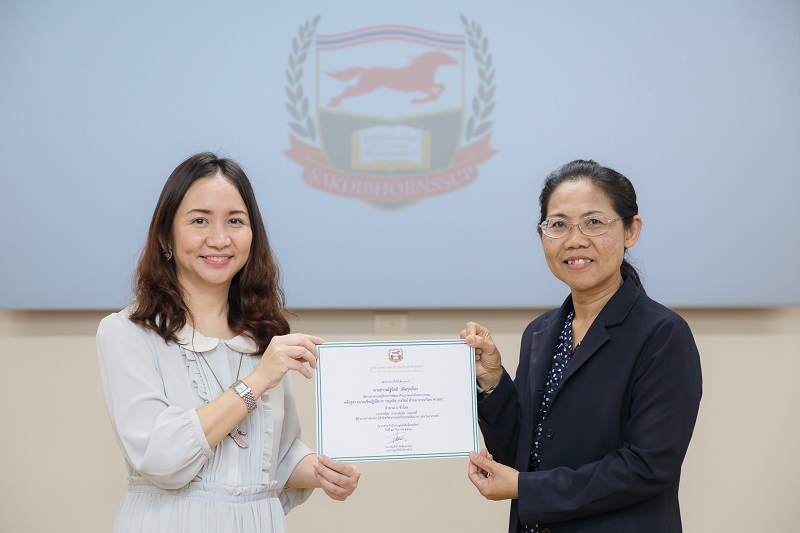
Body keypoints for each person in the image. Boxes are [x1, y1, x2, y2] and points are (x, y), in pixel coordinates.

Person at [97, 152, 360, 532]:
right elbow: (161, 459)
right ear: (166, 235)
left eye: (235, 221)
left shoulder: (264, 335)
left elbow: (276, 457)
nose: (219, 239)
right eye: (199, 220)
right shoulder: (127, 332)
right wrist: (256, 382)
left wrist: (322, 472)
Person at [462, 159, 702, 532]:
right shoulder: (540, 332)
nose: (575, 240)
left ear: (631, 230)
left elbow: (647, 466)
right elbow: (526, 454)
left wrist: (526, 488)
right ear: (542, 234)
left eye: (593, 222)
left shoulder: (662, 334)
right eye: (558, 225)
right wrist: (492, 382)